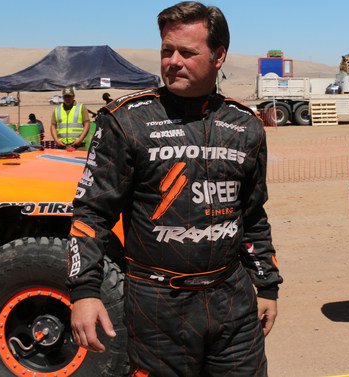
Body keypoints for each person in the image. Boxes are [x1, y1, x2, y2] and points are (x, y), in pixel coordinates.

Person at [67, 2, 282, 376]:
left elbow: (253, 217)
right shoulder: (125, 121)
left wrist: (266, 285)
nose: (173, 61)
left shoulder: (246, 125)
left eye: (187, 52)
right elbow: (92, 214)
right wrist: (84, 292)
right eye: (167, 51)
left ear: (219, 56)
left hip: (232, 300)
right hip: (157, 306)